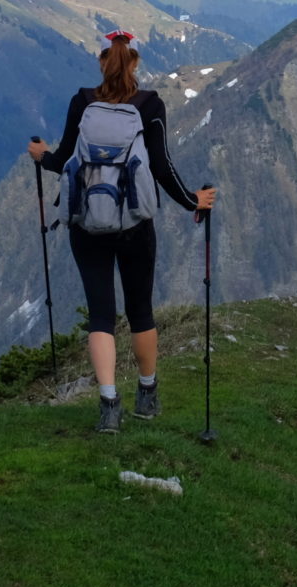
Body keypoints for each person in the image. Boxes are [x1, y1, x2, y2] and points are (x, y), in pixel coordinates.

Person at [30, 30, 215, 433]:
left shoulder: (83, 102)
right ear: (134, 64)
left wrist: (39, 155)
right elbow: (162, 167)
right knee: (140, 311)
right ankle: (147, 395)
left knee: (101, 315)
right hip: (135, 223)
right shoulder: (149, 104)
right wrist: (193, 201)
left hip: (87, 224)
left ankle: (109, 405)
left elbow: (63, 160)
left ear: (102, 63)